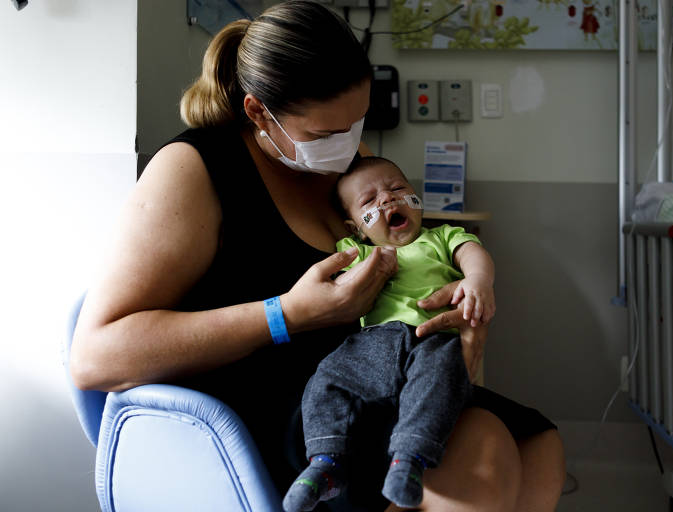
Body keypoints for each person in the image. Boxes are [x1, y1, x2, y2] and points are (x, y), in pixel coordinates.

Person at [69, 1, 566, 510]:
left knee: (539, 448)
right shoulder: (194, 169)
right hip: (288, 409)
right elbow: (95, 357)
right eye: (325, 134)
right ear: (259, 111)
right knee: (481, 448)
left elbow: (419, 260)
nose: (350, 145)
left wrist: (460, 315)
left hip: (385, 373)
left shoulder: (353, 166)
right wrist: (288, 315)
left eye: (357, 123)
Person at [284, 156, 493, 511]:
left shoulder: (441, 236)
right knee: (327, 378)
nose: (387, 200)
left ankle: (409, 459)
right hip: (373, 342)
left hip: (432, 336)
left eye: (398, 189)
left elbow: (474, 253)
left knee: (442, 380)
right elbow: (338, 289)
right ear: (357, 227)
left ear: (416, 199)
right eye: (370, 201)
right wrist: (368, 270)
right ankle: (325, 460)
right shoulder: (358, 251)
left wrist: (477, 280)